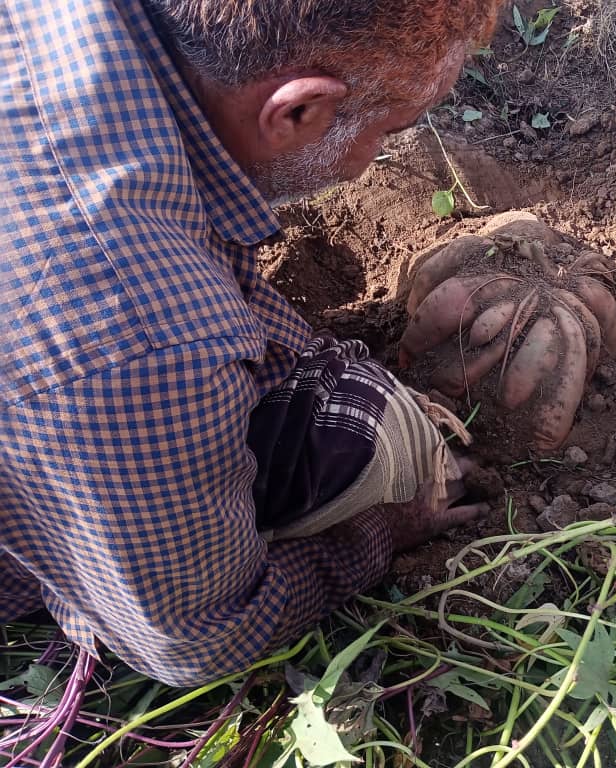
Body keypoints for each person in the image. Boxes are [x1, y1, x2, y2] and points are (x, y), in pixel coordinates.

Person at [0, 0, 501, 686]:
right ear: (295, 112)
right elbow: (197, 644)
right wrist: (383, 531)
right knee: (361, 442)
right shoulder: (142, 342)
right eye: (389, 132)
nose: (377, 158)